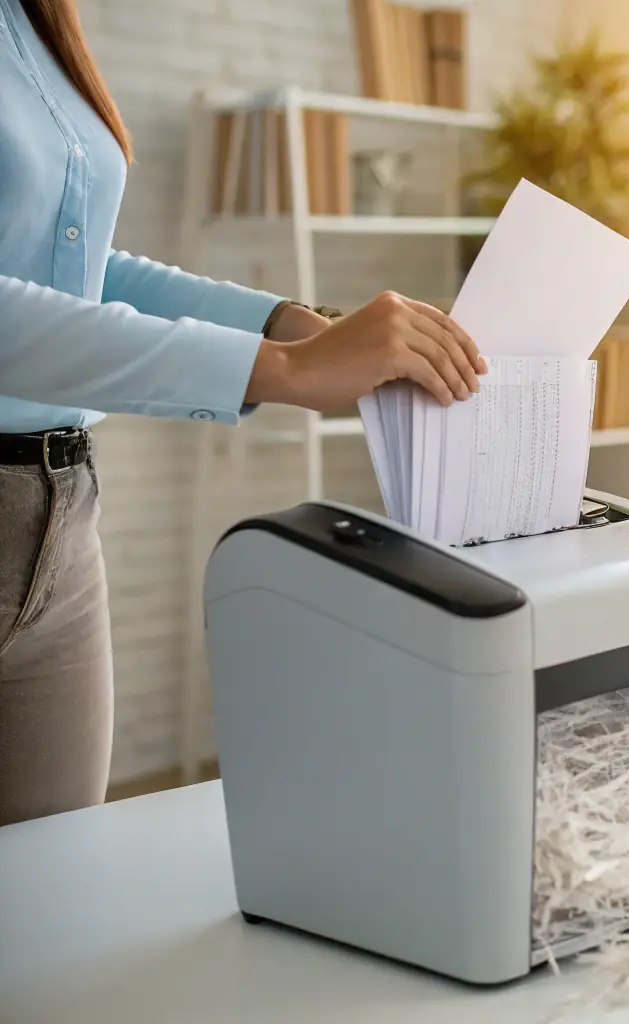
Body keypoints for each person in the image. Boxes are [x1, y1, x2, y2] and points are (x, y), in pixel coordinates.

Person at [0, 0, 486, 827]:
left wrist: (289, 324)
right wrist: (285, 368)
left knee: (54, 898)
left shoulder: (37, 20)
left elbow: (72, 266)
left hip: (59, 514)